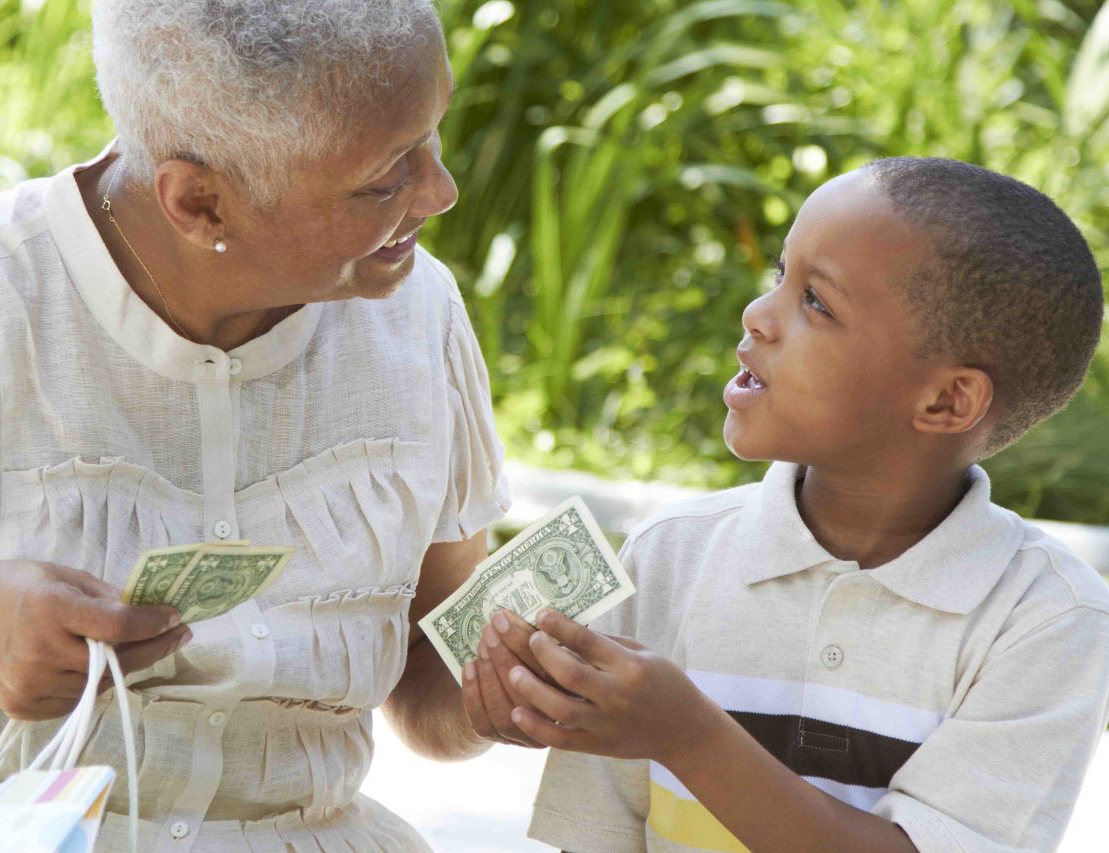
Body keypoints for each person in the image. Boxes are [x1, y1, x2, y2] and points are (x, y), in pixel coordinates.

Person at [0, 1, 511, 849]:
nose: (440, 193)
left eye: (433, 137)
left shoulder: (421, 313)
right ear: (197, 203)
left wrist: (505, 690)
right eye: (383, 180)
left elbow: (428, 691)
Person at [466, 158, 1109, 852]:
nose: (758, 315)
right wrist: (535, 704)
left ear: (947, 400)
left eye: (816, 302)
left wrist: (688, 735)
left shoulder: (1045, 618)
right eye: (781, 274)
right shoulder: (670, 555)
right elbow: (596, 838)